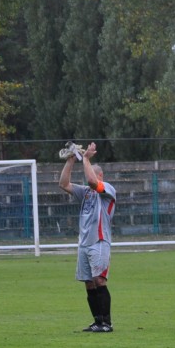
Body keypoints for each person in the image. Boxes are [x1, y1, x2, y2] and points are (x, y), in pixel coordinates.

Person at [58, 142, 116, 332]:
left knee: (99, 280)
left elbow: (92, 181)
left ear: (100, 175)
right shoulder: (84, 193)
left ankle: (107, 323)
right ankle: (97, 321)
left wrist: (87, 159)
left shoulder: (107, 188)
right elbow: (63, 184)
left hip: (99, 241)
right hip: (84, 243)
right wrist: (71, 160)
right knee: (89, 284)